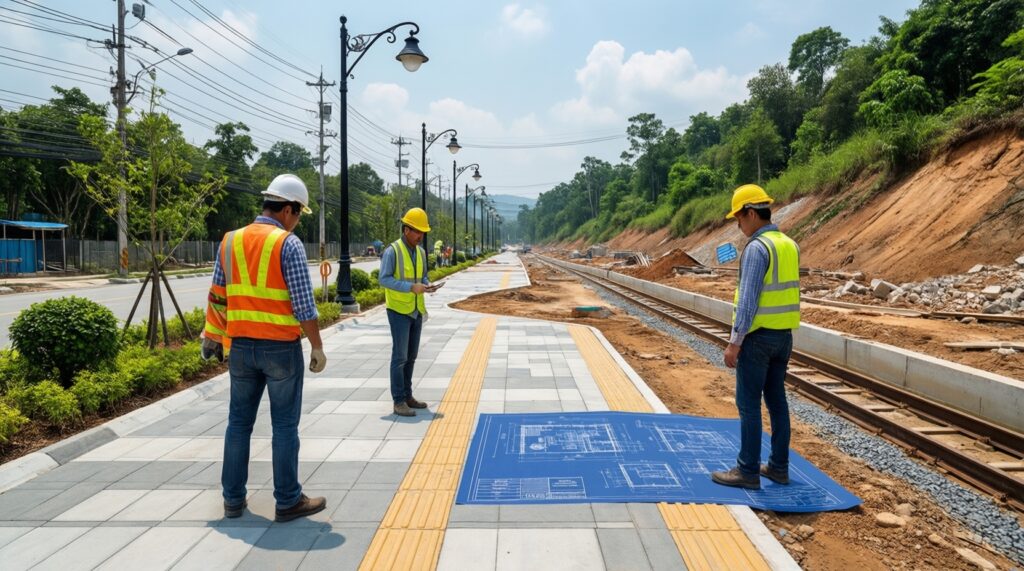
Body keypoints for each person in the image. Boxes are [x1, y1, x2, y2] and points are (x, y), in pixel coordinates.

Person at [202, 173, 329, 521]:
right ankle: (288, 500)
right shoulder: (287, 243)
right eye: (299, 213)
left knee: (238, 424)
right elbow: (304, 304)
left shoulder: (229, 241)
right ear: (287, 209)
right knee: (284, 426)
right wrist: (317, 346)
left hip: (241, 348)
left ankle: (232, 500)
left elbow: (218, 295)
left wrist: (211, 336)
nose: (297, 221)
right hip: (280, 351)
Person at [711, 184, 800, 491]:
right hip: (784, 337)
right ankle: (778, 467)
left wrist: (734, 343)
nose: (738, 225)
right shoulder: (788, 244)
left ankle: (747, 470)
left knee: (748, 404)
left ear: (751, 213)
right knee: (777, 402)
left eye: (738, 218)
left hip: (757, 338)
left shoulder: (757, 248)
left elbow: (748, 302)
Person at [379, 207, 436, 417]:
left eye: (423, 232)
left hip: (416, 310)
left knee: (411, 356)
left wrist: (428, 285)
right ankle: (398, 400)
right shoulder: (392, 251)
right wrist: (410, 288)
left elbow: (423, 276)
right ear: (406, 230)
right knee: (400, 356)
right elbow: (383, 279)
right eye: (417, 232)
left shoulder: (421, 252)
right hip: (398, 310)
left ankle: (408, 395)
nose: (421, 236)